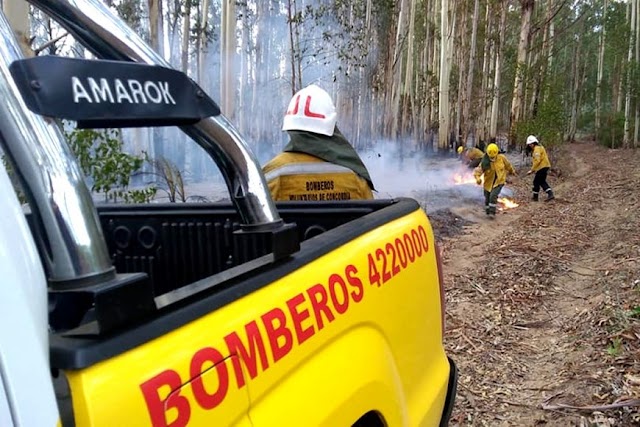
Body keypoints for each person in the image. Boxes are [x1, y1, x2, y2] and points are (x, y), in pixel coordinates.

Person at [262, 85, 375, 202]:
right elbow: (370, 217)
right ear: (331, 125)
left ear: (290, 126)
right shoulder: (355, 178)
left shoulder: (270, 175)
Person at [473, 143, 516, 218]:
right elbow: (478, 171)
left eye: (493, 157)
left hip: (499, 182)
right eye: (491, 157)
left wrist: (512, 171)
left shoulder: (502, 158)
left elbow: (508, 165)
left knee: (493, 196)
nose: (492, 159)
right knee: (487, 197)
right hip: (488, 183)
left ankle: (492, 213)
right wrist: (478, 178)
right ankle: (487, 211)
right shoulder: (484, 161)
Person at [525, 135, 554, 202]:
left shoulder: (537, 149)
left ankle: (538, 197)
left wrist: (532, 170)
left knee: (537, 182)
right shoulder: (540, 147)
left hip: (542, 167)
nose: (529, 146)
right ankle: (549, 194)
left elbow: (537, 161)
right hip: (544, 166)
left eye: (530, 144)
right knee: (540, 181)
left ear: (533, 143)